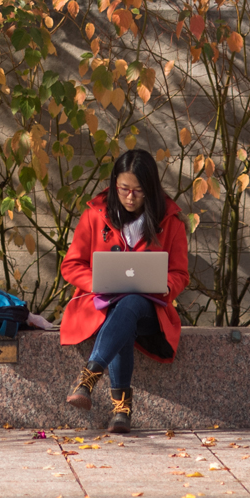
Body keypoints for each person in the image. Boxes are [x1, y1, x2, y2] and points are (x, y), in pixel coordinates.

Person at [58, 147, 189, 433]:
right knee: (122, 310)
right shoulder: (95, 215)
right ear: (114, 183)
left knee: (130, 301)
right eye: (124, 189)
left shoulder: (171, 221)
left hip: (150, 311)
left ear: (151, 189)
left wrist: (166, 284)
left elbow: (180, 273)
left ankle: (89, 378)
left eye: (138, 191)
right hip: (101, 305)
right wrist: (98, 282)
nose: (130, 197)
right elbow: (70, 265)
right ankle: (121, 411)